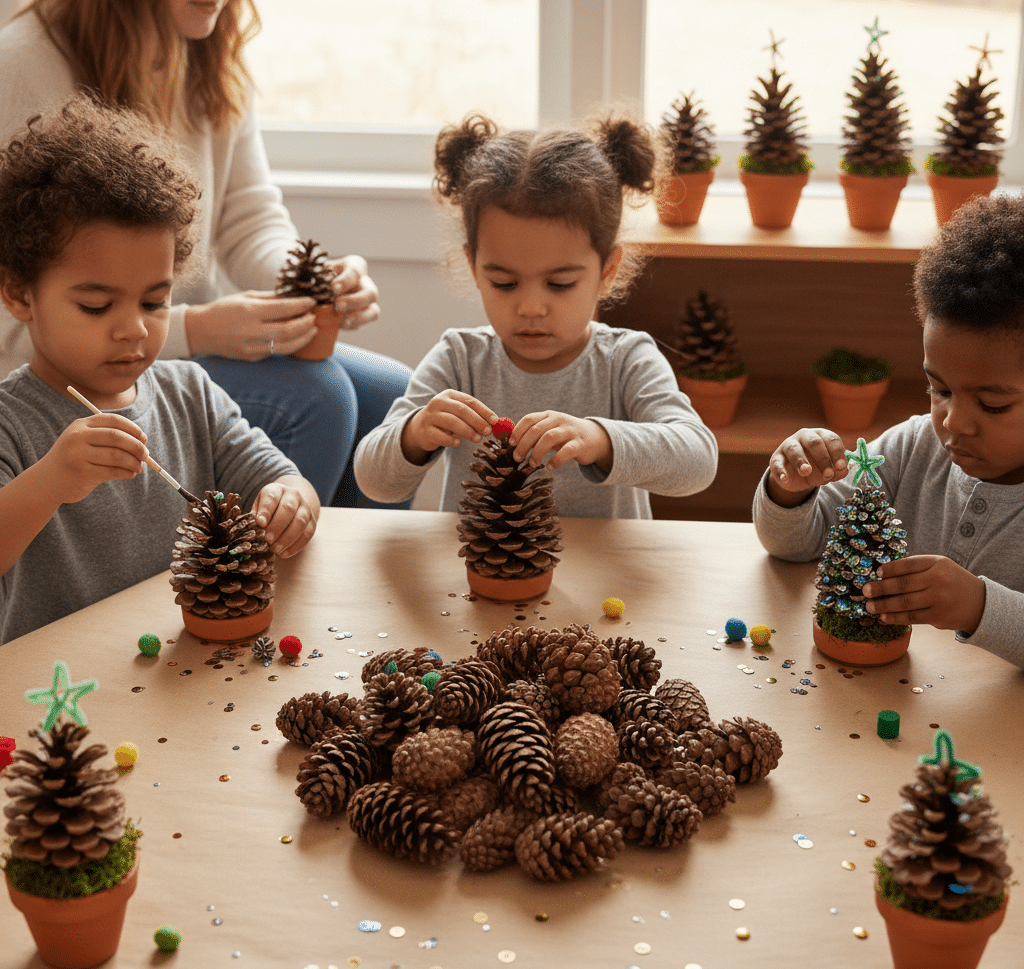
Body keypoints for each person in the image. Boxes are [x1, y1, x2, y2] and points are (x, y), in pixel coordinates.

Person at [0, 0, 412, 509]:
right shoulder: (22, 64)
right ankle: (254, 561)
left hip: (170, 340)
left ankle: (321, 560)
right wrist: (194, 328)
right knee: (317, 397)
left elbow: (248, 217)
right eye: (95, 303)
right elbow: (12, 315)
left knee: (391, 395)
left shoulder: (209, 50)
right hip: (71, 362)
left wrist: (311, 280)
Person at [0, 97, 320, 645]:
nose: (135, 329)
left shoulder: (189, 393)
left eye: (154, 302)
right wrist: (51, 480)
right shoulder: (10, 422)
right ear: (18, 294)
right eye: (97, 306)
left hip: (177, 673)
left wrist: (291, 500)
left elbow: (279, 477)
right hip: (56, 686)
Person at [354, 113, 718, 518]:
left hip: (602, 561)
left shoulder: (625, 360)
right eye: (504, 283)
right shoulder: (460, 359)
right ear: (474, 267)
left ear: (607, 271)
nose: (530, 308)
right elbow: (373, 482)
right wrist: (414, 434)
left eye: (560, 284)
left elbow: (698, 460)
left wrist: (599, 439)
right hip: (479, 560)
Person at [753, 194, 1024, 669]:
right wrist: (790, 491)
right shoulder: (910, 448)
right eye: (939, 389)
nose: (953, 422)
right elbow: (795, 545)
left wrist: (980, 607)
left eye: (993, 404)